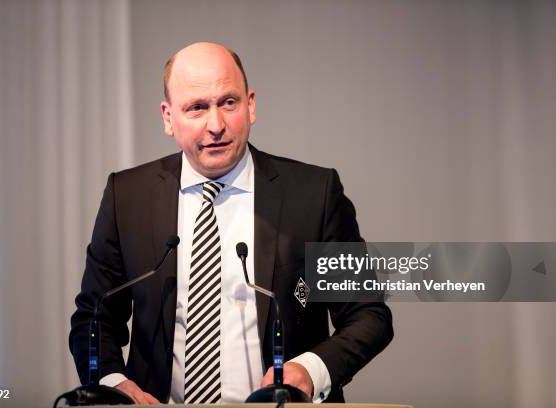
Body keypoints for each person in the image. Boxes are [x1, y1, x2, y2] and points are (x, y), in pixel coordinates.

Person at [69, 42, 393, 404]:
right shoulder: (126, 197)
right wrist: (113, 385)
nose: (216, 125)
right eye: (196, 108)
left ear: (250, 105)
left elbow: (368, 315)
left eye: (228, 103)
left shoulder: (313, 195)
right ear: (167, 117)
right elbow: (93, 318)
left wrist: (310, 370)